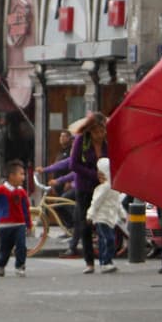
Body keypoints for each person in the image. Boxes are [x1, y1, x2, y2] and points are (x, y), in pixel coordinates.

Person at [70, 112, 109, 274]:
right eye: (96, 132)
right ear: (90, 131)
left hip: (104, 187)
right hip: (85, 188)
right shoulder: (82, 141)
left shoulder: (108, 142)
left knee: (104, 222)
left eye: (102, 131)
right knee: (86, 224)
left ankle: (106, 260)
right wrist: (94, 175)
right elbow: (74, 164)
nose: (100, 135)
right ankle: (89, 262)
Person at [0, 159, 32, 278]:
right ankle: (1, 264)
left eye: (23, 174)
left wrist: (29, 224)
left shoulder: (22, 192)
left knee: (21, 246)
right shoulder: (1, 190)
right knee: (5, 249)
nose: (23, 177)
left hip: (20, 224)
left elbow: (26, 209)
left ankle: (20, 266)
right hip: (5, 225)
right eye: (21, 174)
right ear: (12, 176)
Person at [86, 157, 124, 274]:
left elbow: (117, 202)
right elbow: (96, 202)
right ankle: (106, 262)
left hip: (110, 218)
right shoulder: (105, 188)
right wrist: (90, 215)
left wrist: (121, 214)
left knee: (105, 240)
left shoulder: (112, 187)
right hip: (102, 218)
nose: (99, 175)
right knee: (109, 239)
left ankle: (105, 262)